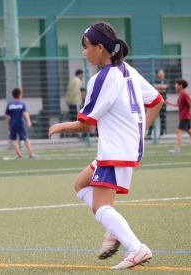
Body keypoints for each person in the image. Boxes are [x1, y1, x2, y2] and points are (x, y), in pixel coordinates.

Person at [48, 22, 163, 269]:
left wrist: (61, 126)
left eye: (86, 47)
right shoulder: (127, 70)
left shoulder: (103, 78)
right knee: (80, 183)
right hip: (123, 149)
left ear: (100, 48)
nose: (84, 52)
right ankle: (115, 230)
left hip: (116, 151)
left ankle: (136, 248)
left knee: (101, 206)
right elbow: (157, 100)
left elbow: (86, 124)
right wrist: (140, 132)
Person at [5, 87, 35, 159]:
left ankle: (19, 154)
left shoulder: (10, 104)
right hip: (21, 123)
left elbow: (7, 116)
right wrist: (28, 121)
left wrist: (8, 125)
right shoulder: (22, 104)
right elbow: (25, 113)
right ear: (20, 95)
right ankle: (30, 153)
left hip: (13, 124)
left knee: (13, 139)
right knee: (25, 138)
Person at [166, 79, 191, 154]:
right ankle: (177, 148)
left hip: (185, 117)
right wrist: (169, 103)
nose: (175, 86)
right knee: (189, 132)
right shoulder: (181, 95)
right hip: (184, 117)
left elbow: (190, 103)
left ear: (180, 85)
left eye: (176, 84)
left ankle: (177, 149)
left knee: (179, 132)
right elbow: (178, 105)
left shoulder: (184, 94)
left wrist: (188, 113)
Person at [148, 69, 168, 138]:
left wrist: (157, 88)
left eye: (162, 73)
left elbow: (165, 87)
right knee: (152, 117)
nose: (162, 75)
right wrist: (160, 88)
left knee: (163, 117)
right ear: (157, 74)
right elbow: (152, 87)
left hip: (163, 102)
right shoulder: (154, 81)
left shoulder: (165, 81)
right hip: (155, 102)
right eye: (160, 73)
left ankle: (162, 133)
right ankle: (149, 133)